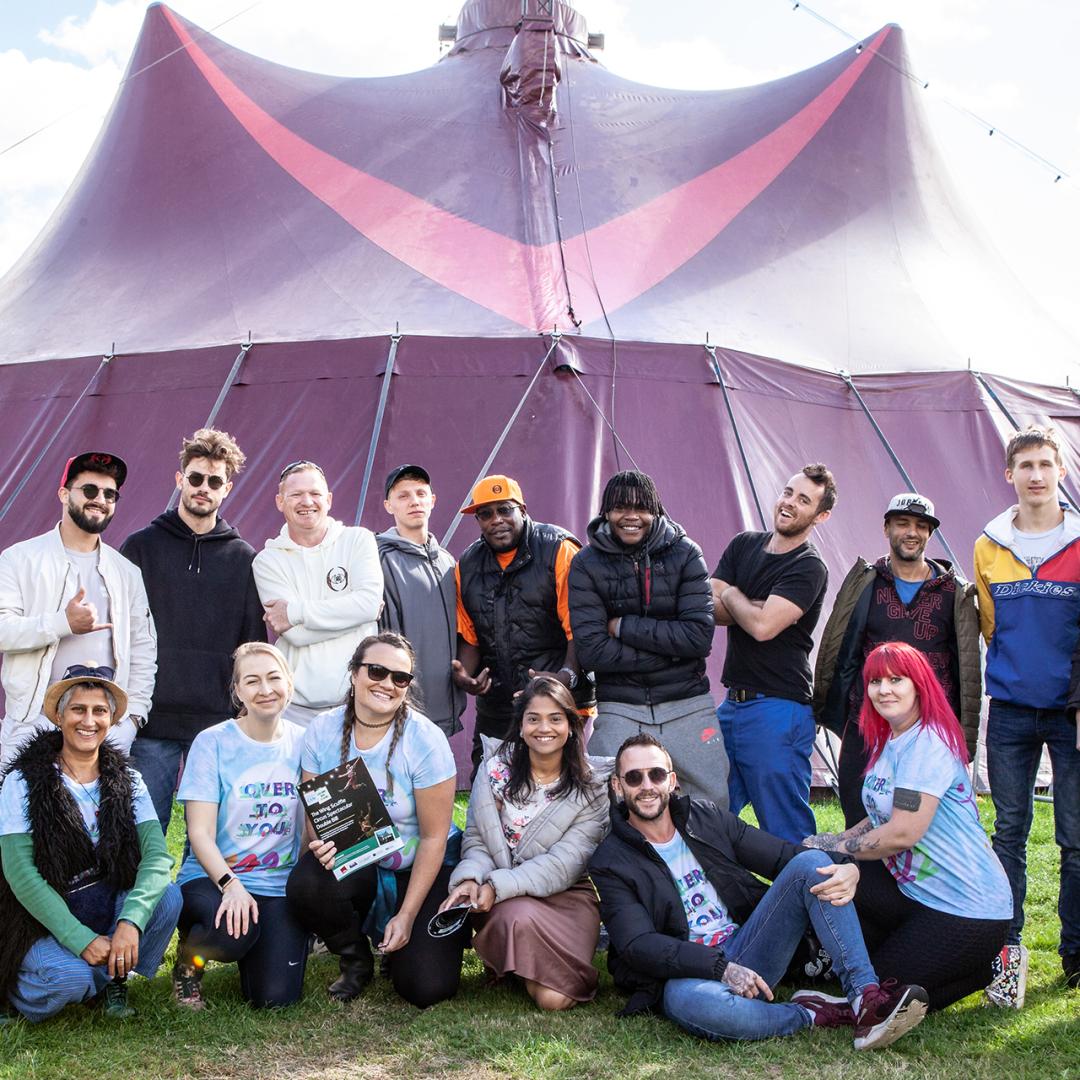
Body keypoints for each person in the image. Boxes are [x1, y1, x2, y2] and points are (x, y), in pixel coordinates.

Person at [587, 732, 927, 1049]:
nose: (646, 786)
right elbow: (638, 944)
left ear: (672, 781)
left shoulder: (705, 818)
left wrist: (847, 864)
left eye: (656, 775)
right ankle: (813, 1014)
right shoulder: (610, 860)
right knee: (699, 1008)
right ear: (618, 787)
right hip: (688, 972)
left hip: (749, 945)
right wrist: (721, 968)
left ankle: (865, 999)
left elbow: (780, 856)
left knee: (812, 865)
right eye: (634, 778)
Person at [803, 643, 1012, 1012]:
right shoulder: (893, 739)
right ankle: (979, 968)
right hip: (916, 892)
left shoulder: (927, 743)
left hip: (968, 909)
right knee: (826, 877)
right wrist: (833, 841)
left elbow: (902, 833)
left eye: (896, 680)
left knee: (877, 996)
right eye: (875, 681)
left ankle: (988, 963)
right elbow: (882, 815)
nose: (884, 690)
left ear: (919, 686)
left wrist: (842, 851)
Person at [286, 632, 466, 1008]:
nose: (387, 684)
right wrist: (318, 845)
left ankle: (399, 941)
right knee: (307, 881)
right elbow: (315, 813)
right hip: (359, 858)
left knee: (425, 988)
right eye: (377, 671)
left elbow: (434, 838)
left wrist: (408, 915)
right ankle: (355, 956)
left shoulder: (426, 741)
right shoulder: (322, 730)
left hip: (418, 866)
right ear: (354, 673)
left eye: (400, 678)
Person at [0, 666, 181, 1024]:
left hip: (105, 902)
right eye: (78, 709)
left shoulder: (128, 779)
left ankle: (111, 977)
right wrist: (80, 938)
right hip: (42, 916)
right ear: (60, 716)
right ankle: (17, 992)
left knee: (168, 897)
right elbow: (20, 873)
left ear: (111, 719)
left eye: (99, 710)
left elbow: (158, 858)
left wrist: (130, 923)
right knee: (67, 980)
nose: (89, 720)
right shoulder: (23, 780)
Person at [975, 426, 1080, 1003]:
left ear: (1061, 471)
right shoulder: (988, 544)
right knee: (1009, 833)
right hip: (1012, 711)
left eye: (1046, 464)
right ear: (1009, 474)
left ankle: (1076, 955)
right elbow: (993, 626)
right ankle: (1007, 955)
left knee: (1076, 838)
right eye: (1026, 466)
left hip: (1071, 713)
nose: (1036, 475)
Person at [121, 428, 266, 831]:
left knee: (214, 837)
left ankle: (203, 896)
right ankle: (147, 897)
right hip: (152, 719)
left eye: (214, 481)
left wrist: (241, 713)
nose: (204, 488)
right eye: (196, 477)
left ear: (227, 488)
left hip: (217, 721)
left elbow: (251, 642)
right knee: (143, 835)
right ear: (180, 479)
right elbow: (121, 632)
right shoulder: (140, 547)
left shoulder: (244, 559)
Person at [441, 676, 613, 1010]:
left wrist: (495, 885)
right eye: (533, 718)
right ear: (520, 726)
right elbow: (478, 839)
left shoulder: (592, 786)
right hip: (507, 900)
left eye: (555, 718)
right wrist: (469, 879)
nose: (543, 728)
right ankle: (515, 955)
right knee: (515, 916)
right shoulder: (495, 771)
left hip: (566, 897)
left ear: (571, 725)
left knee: (554, 1000)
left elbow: (564, 865)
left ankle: (515, 961)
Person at [814, 493, 981, 826]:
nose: (912, 532)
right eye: (903, 523)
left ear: (930, 534)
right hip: (868, 722)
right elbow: (840, 646)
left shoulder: (954, 592)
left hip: (928, 730)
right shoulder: (866, 583)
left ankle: (912, 878)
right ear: (886, 527)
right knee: (859, 812)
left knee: (921, 821)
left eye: (921, 526)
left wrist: (962, 731)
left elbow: (966, 665)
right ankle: (863, 877)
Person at [569, 470, 728, 804]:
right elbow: (592, 651)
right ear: (606, 512)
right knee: (602, 801)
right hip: (619, 706)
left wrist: (624, 627)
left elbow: (699, 638)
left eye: (641, 507)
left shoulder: (686, 553)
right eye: (620, 507)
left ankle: (704, 858)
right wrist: (672, 651)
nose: (631, 516)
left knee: (711, 802)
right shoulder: (585, 563)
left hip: (687, 703)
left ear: (655, 510)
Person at [170, 642, 307, 1010]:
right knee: (232, 936)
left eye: (274, 678)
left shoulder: (305, 743)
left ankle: (260, 945)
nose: (265, 690)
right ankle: (190, 961)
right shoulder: (212, 742)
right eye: (252, 681)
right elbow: (198, 833)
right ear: (238, 691)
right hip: (215, 876)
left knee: (275, 999)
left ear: (289, 683)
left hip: (277, 883)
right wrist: (231, 886)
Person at [0, 451, 156, 765]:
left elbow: (143, 649)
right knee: (22, 813)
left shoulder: (126, 572)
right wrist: (63, 623)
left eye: (109, 494)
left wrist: (132, 719)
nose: (100, 499)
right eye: (89, 490)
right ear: (63, 494)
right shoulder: (19, 559)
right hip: (33, 723)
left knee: (96, 815)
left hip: (102, 728)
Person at [711, 463, 835, 842]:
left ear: (821, 515)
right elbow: (709, 608)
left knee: (784, 830)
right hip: (732, 704)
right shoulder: (744, 544)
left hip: (779, 707)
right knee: (707, 814)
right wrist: (750, 607)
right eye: (787, 493)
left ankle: (807, 898)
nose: (789, 503)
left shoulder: (809, 566)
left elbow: (763, 628)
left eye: (803, 500)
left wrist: (732, 593)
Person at [453, 475, 593, 772]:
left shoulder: (559, 549)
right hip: (498, 704)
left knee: (561, 789)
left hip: (556, 700)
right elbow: (471, 636)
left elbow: (581, 626)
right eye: (486, 514)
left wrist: (565, 677)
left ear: (523, 510)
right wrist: (466, 674)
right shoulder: (467, 564)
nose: (496, 520)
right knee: (488, 786)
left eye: (505, 510)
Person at [253, 460, 383, 727]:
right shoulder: (267, 560)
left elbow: (369, 604)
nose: (307, 501)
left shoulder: (358, 540)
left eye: (315, 493)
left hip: (357, 706)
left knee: (351, 772)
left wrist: (295, 611)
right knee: (301, 772)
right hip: (296, 713)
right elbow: (296, 636)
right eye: (296, 495)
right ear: (280, 501)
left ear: (329, 499)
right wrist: (357, 617)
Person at [376, 464, 464, 738]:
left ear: (432, 500)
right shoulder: (379, 558)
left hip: (444, 705)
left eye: (420, 493)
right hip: (401, 709)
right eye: (403, 496)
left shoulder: (448, 562)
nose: (414, 501)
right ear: (389, 505)